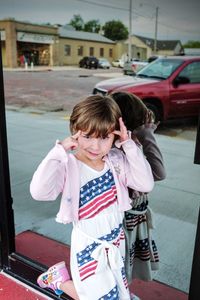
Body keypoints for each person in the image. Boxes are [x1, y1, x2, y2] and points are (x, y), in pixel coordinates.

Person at [30, 94, 154, 300]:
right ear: (74, 132)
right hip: (89, 246)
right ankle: (59, 281)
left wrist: (129, 145)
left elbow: (145, 183)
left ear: (115, 135)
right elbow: (39, 192)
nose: (95, 147)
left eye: (104, 137)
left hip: (115, 242)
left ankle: (59, 280)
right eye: (87, 136)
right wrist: (58, 151)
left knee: (112, 292)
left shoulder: (116, 160)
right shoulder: (69, 165)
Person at [111, 91, 166, 285]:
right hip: (125, 223)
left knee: (128, 263)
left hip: (134, 220)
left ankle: (123, 291)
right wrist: (147, 136)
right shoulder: (119, 151)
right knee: (122, 263)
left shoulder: (130, 146)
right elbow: (159, 173)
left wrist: (142, 138)